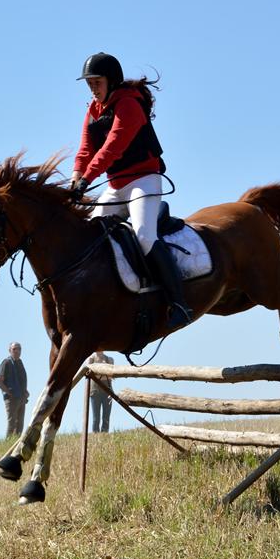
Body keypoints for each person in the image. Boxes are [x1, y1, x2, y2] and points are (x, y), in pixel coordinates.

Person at [68, 52, 192, 329]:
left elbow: (113, 147)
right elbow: (86, 149)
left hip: (143, 181)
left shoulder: (129, 105)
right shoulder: (93, 108)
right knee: (89, 238)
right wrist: (75, 177)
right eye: (89, 83)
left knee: (144, 236)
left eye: (96, 82)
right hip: (115, 185)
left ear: (112, 80)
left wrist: (87, 180)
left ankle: (180, 303)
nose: (92, 88)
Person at [0, 342, 28, 439]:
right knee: (12, 423)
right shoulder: (6, 362)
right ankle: (7, 443)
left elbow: (20, 380)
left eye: (19, 349)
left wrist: (25, 391)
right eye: (14, 349)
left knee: (20, 423)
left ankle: (16, 443)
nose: (17, 351)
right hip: (11, 398)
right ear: (10, 350)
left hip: (21, 397)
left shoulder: (20, 362)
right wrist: (9, 392)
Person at [88, 350, 114, 433]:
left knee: (106, 416)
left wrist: (98, 370)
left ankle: (104, 434)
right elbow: (88, 372)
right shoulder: (91, 358)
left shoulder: (109, 359)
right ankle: (95, 435)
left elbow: (111, 375)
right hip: (95, 391)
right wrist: (104, 369)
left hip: (108, 390)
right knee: (96, 418)